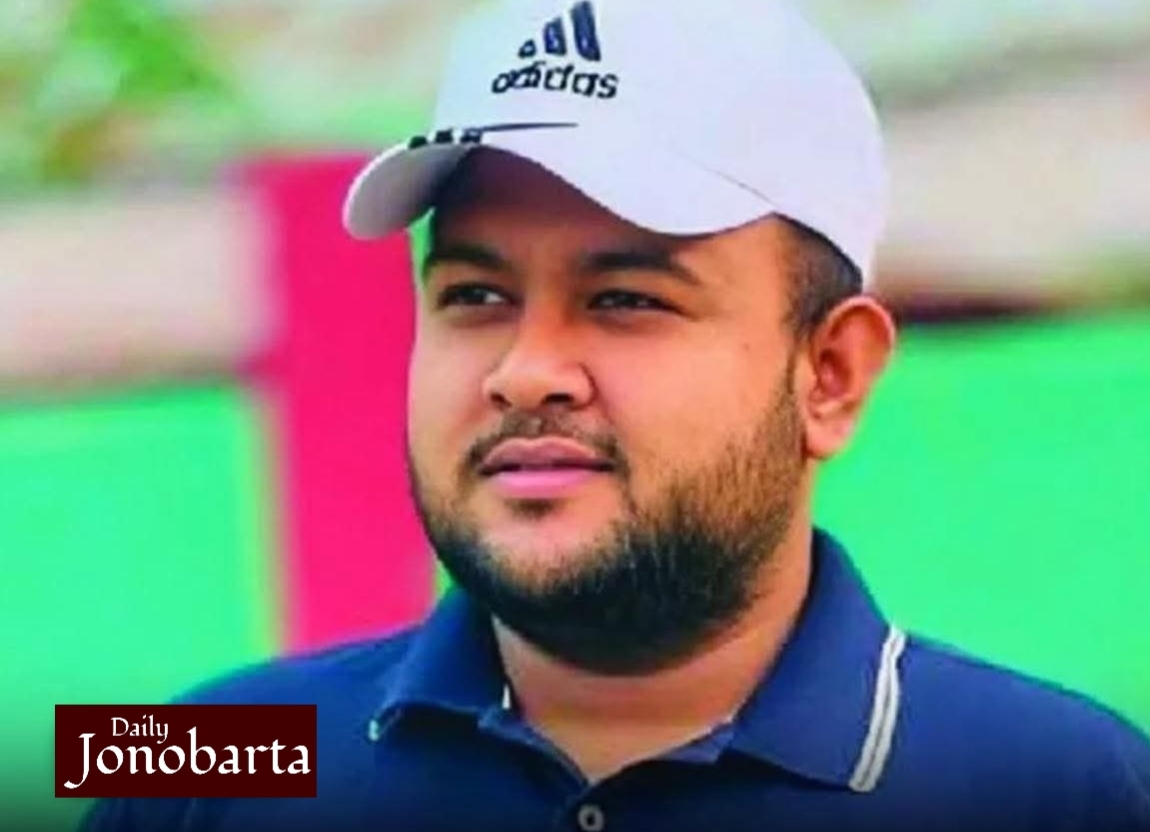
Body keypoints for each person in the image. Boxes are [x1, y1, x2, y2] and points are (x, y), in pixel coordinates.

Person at [82, 1, 1150, 830]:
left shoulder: (1066, 790)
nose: (525, 371)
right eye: (476, 295)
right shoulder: (195, 763)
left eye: (627, 300)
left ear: (830, 374)